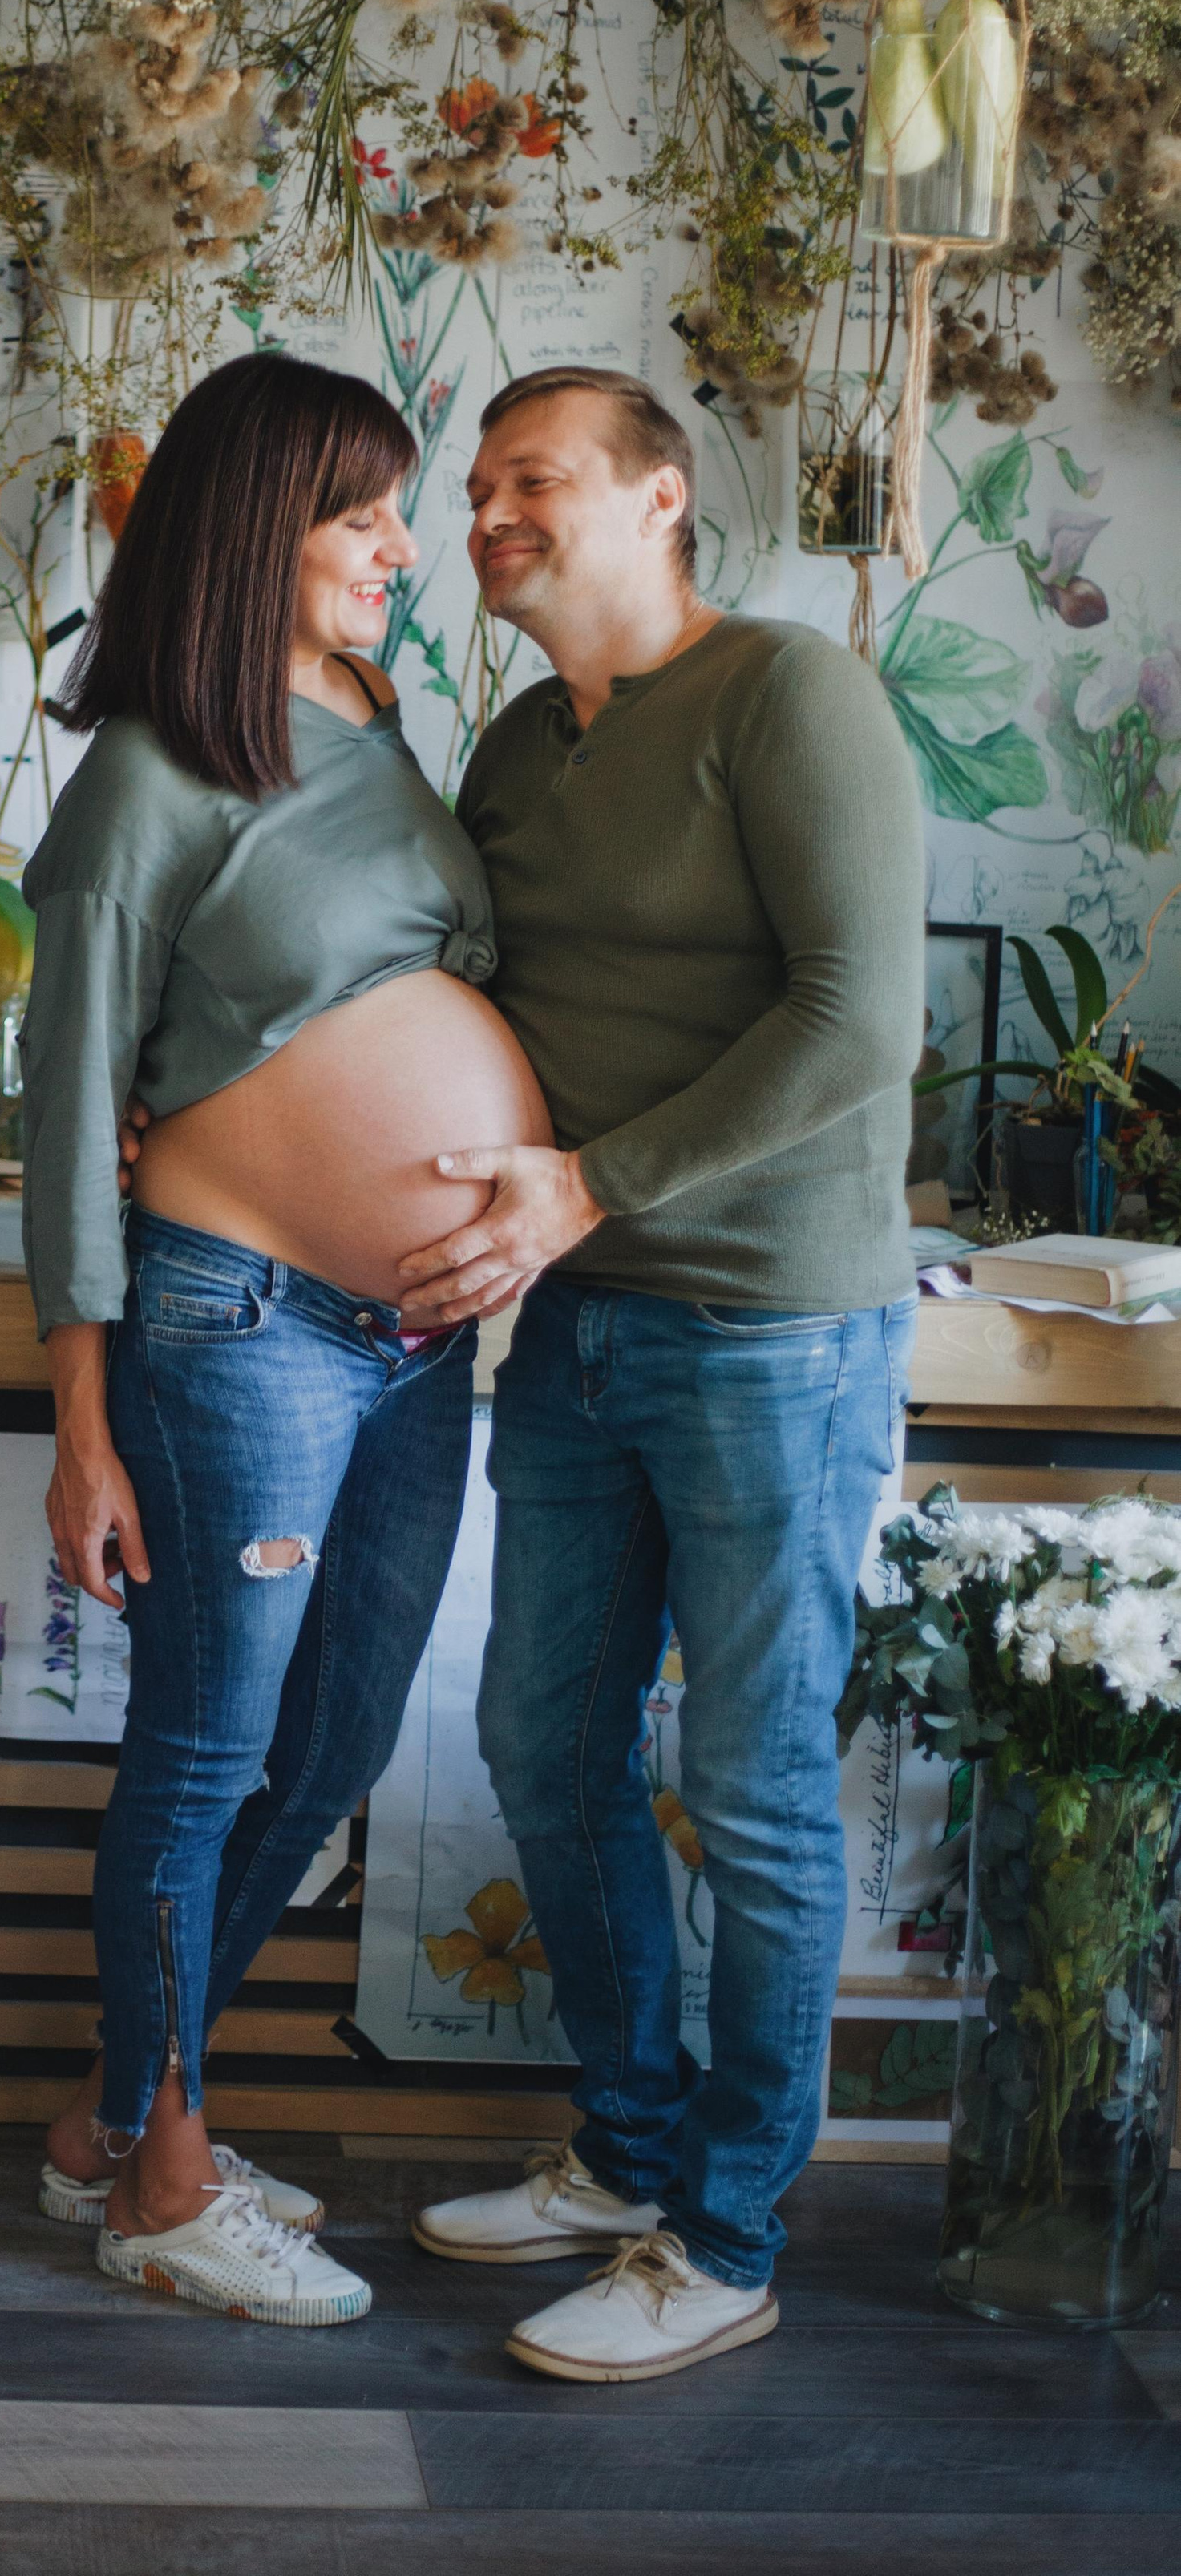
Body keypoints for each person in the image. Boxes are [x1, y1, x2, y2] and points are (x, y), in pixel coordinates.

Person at [398, 365, 923, 2384]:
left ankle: (724, 2229)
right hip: (579, 1314)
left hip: (770, 1328)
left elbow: (858, 1015)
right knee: (541, 1740)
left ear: (660, 498)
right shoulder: (520, 740)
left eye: (531, 479)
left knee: (755, 1792)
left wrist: (588, 1187)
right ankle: (624, 2154)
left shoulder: (789, 696)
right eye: (474, 490)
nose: (487, 516)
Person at [21, 349, 551, 2326]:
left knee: (327, 1749)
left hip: (409, 1340)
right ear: (255, 532)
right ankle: (162, 2178)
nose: (400, 550)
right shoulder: (146, 780)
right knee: (206, 1746)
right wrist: (82, 1421)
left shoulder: (378, 723)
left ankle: (110, 2118)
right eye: (356, 515)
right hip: (231, 1327)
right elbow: (75, 1116)